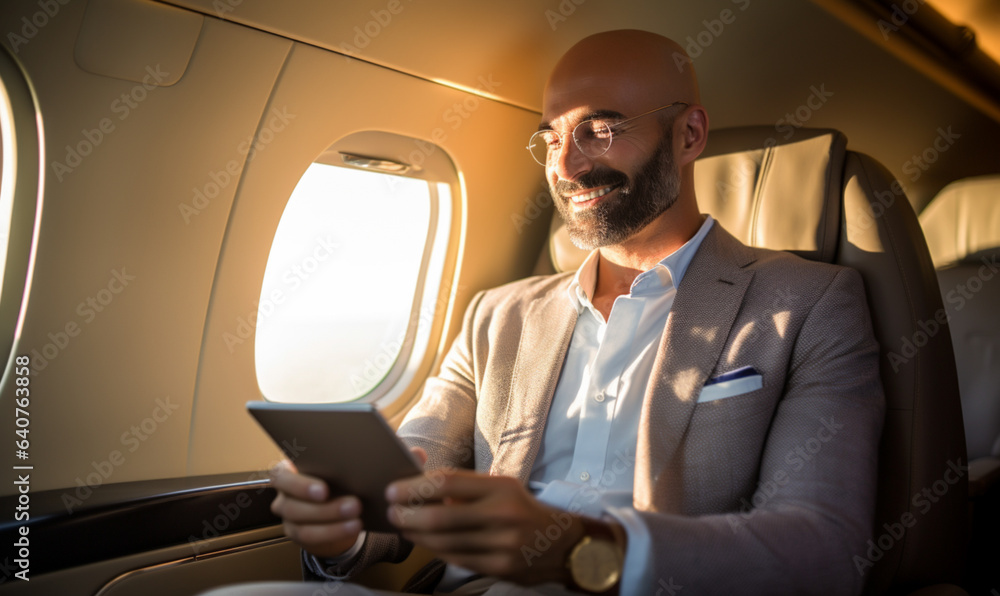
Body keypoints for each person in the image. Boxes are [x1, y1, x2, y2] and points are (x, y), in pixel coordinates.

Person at [204, 29, 885, 595]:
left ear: (689, 133)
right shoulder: (496, 315)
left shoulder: (806, 303)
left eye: (599, 129)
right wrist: (346, 525)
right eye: (551, 137)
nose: (565, 164)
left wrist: (582, 550)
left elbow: (822, 547)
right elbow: (413, 472)